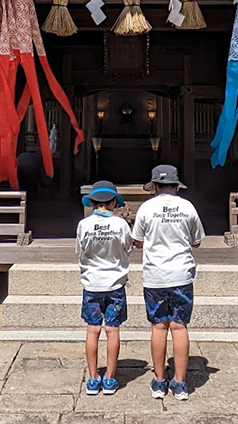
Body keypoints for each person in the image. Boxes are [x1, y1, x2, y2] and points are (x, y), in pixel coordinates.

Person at [132, 164, 204, 401]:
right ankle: (181, 383)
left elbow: (138, 241)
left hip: (155, 275)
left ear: (154, 186)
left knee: (159, 326)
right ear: (176, 186)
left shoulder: (146, 208)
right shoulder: (188, 207)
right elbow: (197, 242)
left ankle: (160, 380)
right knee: (179, 326)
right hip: (181, 274)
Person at [77, 179, 132, 395]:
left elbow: (80, 249)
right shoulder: (120, 224)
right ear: (113, 202)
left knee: (92, 330)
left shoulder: (84, 225)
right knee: (112, 329)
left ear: (91, 202)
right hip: (115, 283)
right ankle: (109, 378)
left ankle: (92, 378)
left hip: (92, 283)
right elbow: (127, 248)